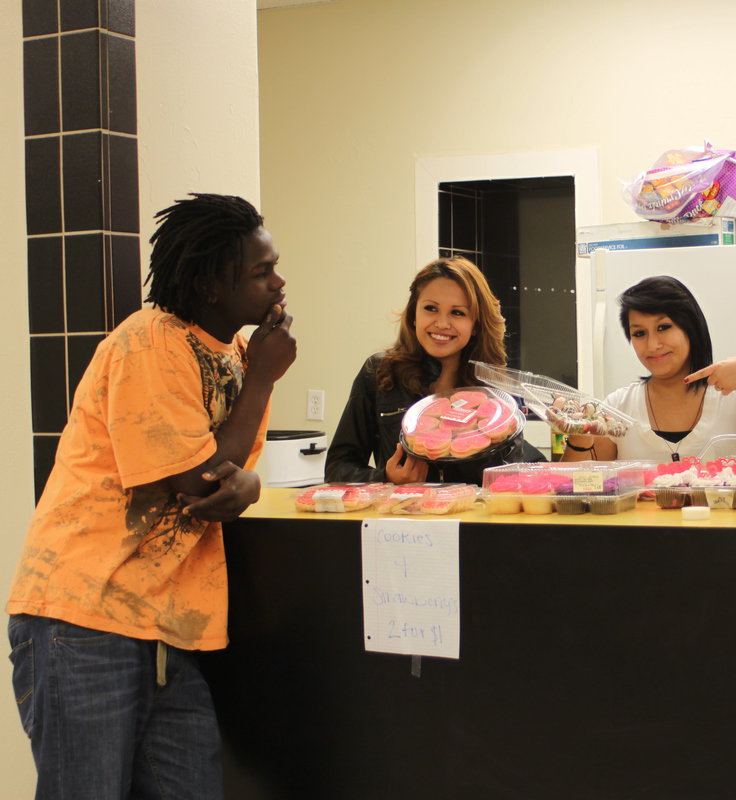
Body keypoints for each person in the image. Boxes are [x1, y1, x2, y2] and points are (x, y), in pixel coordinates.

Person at [7, 193, 296, 798]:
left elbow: (231, 472)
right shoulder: (151, 343)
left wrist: (243, 477)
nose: (278, 282)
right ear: (211, 285)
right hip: (86, 619)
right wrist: (264, 385)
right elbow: (203, 483)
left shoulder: (238, 355)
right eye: (260, 271)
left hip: (166, 628)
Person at [562, 275, 736, 463]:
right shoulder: (617, 408)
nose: (653, 345)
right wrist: (579, 434)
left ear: (690, 327)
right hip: (642, 543)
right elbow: (576, 488)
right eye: (639, 333)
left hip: (725, 539)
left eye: (664, 327)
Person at [325, 255, 542, 486]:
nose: (441, 323)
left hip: (473, 519)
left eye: (457, 313)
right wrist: (386, 478)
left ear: (476, 324)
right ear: (414, 315)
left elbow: (521, 473)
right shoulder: (379, 373)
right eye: (431, 308)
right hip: (402, 518)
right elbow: (338, 468)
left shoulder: (494, 392)